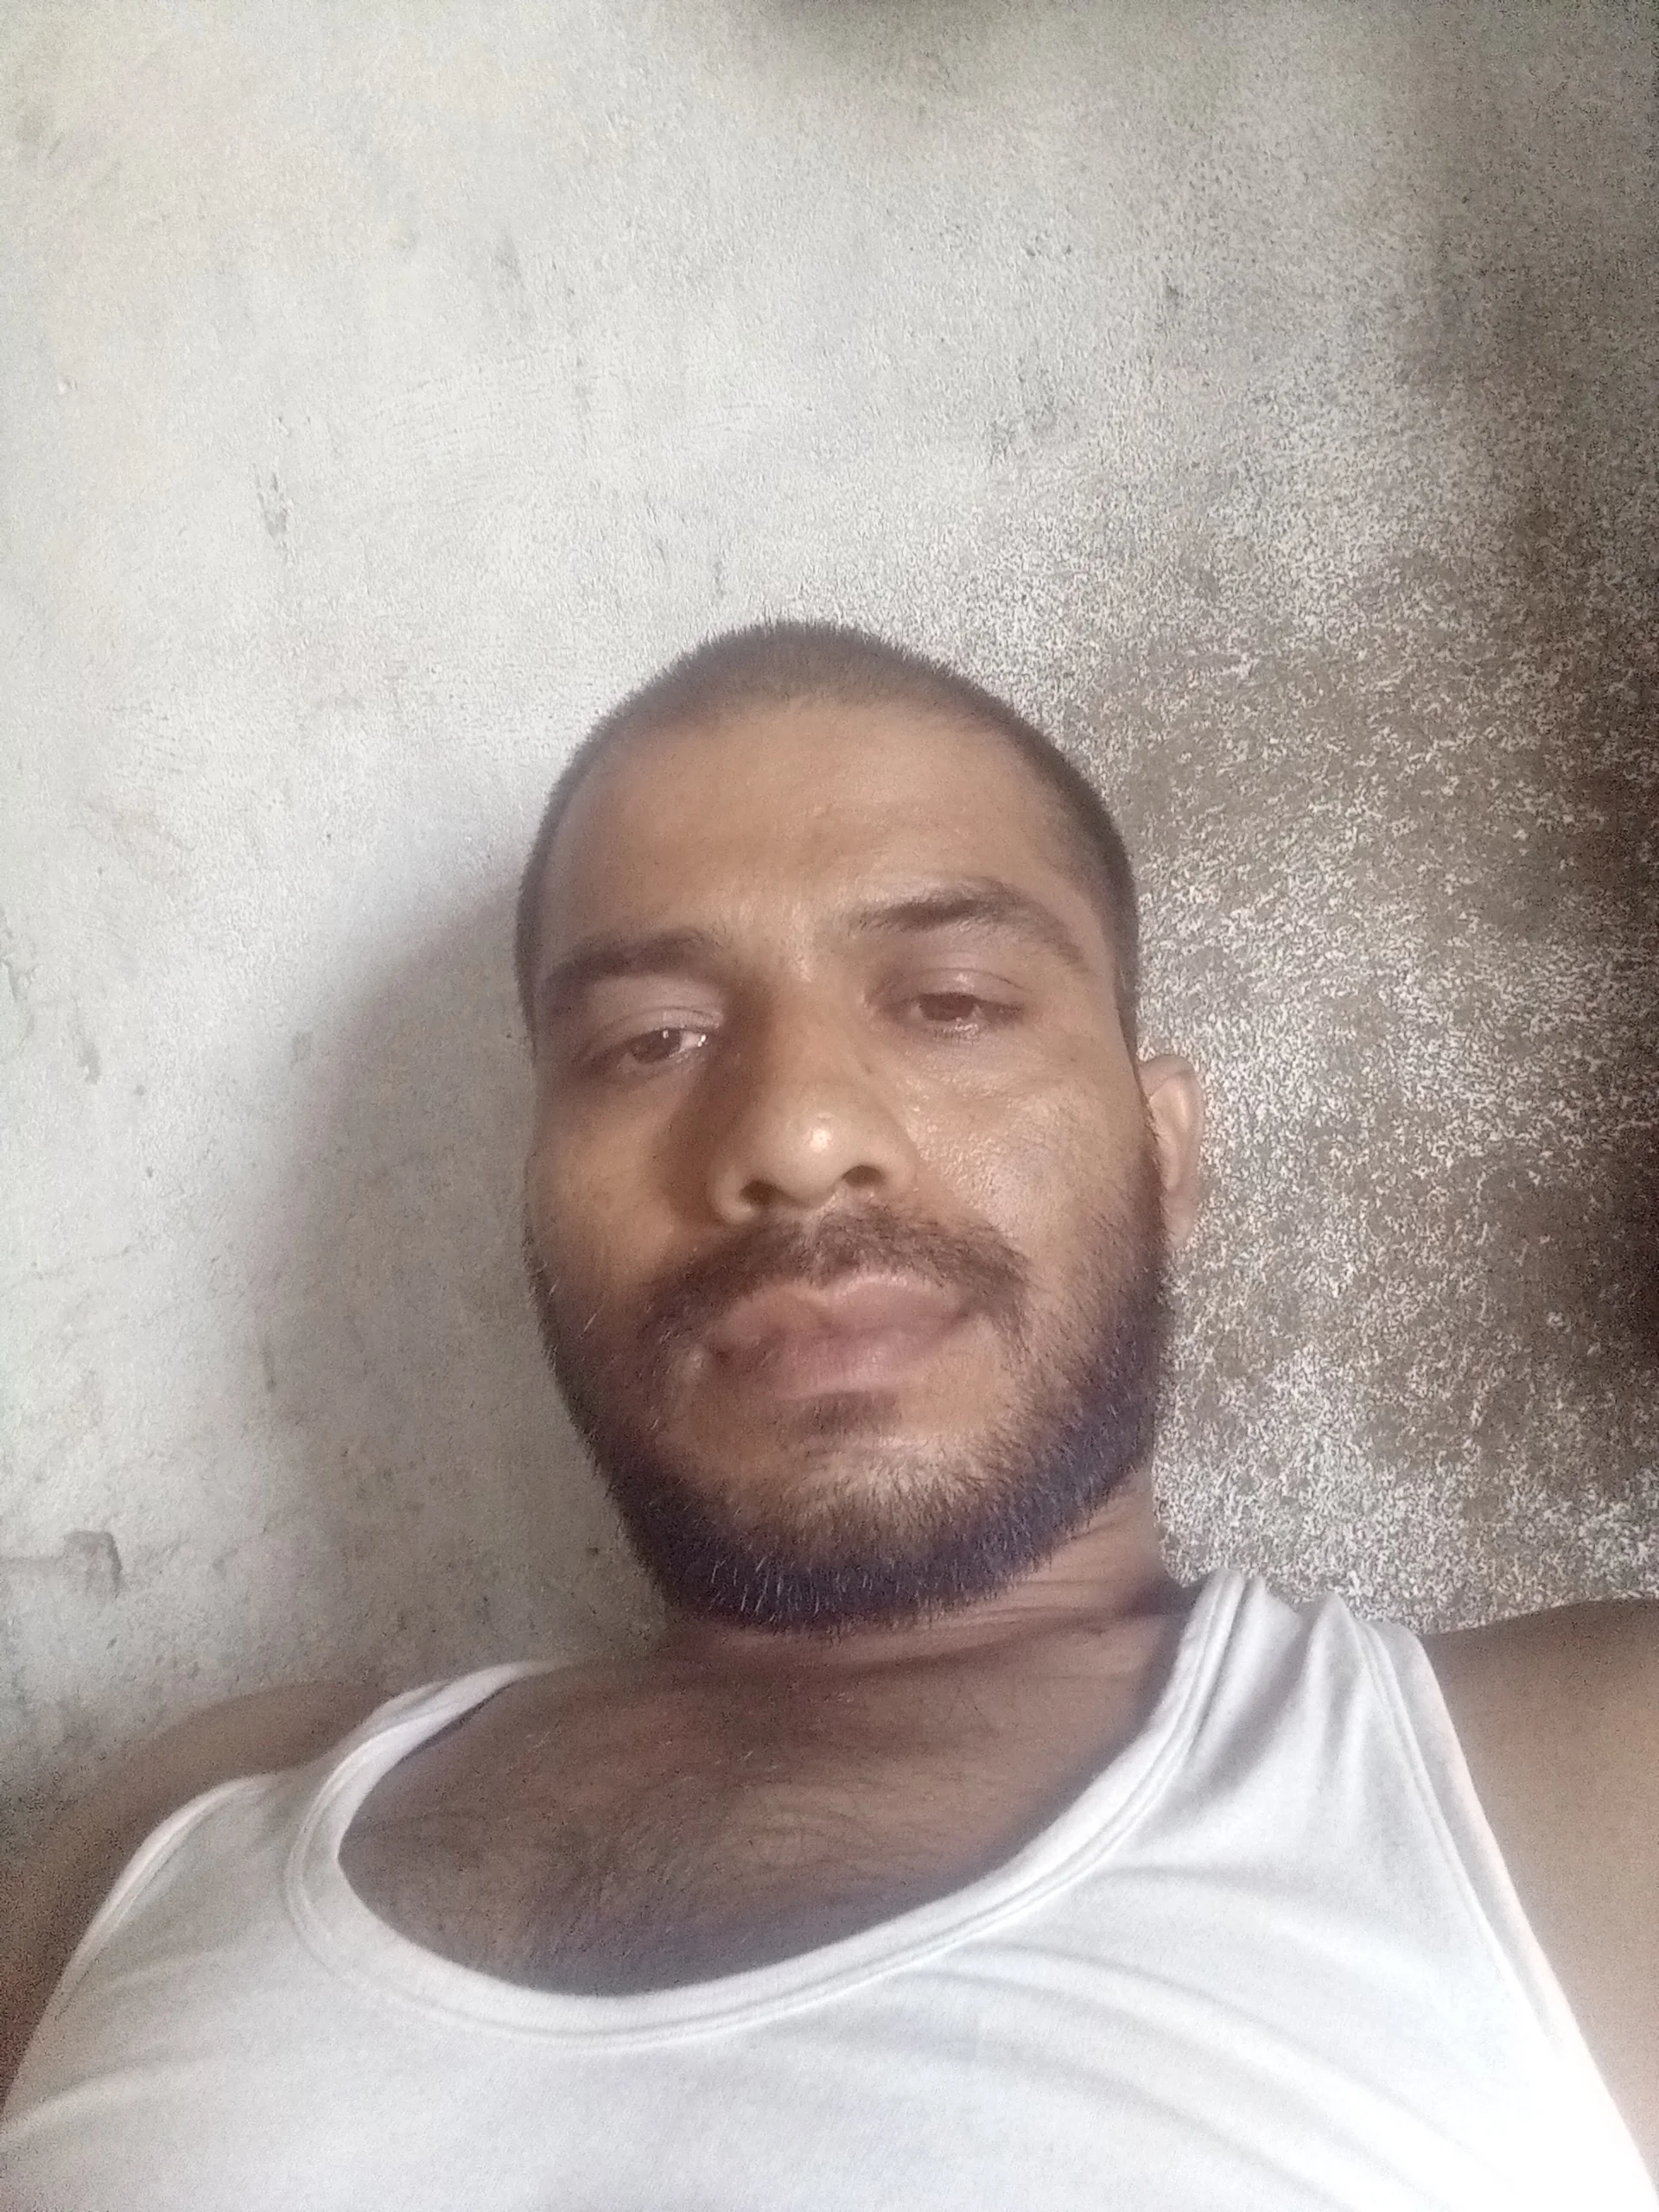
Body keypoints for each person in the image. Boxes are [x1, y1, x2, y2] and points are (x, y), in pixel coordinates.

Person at [2, 621, 1655, 2209]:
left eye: (951, 1002)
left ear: (1163, 1157)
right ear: (532, 1208)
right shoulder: (182, 1824)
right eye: (650, 1041)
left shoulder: (1581, 1788)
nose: (793, 1136)